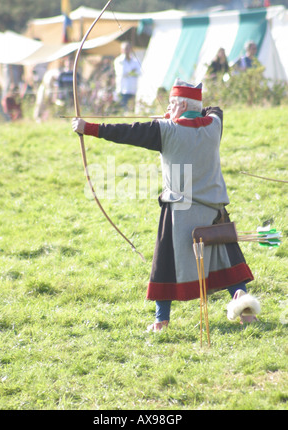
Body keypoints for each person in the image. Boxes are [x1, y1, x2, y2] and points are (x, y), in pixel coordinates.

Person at [72, 78, 259, 331]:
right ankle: (245, 310)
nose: (169, 106)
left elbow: (127, 132)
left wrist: (87, 127)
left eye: (173, 102)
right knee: (227, 260)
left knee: (165, 264)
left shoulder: (166, 130)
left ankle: (161, 321)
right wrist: (180, 113)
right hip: (214, 213)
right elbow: (213, 110)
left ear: (180, 103)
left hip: (179, 214)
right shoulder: (214, 126)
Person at [114, 41, 140, 111]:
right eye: (125, 49)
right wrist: (132, 71)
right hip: (123, 89)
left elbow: (139, 72)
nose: (127, 51)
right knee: (124, 109)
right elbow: (122, 73)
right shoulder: (118, 61)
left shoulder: (135, 61)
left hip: (133, 89)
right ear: (122, 50)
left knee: (131, 109)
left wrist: (129, 73)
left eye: (128, 48)